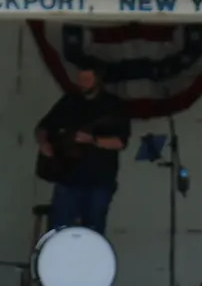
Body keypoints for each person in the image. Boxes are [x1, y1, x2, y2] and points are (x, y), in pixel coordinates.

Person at [36, 62, 131, 234]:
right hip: (67, 178)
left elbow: (120, 142)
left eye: (87, 79)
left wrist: (92, 140)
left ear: (98, 80)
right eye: (80, 79)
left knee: (93, 233)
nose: (82, 83)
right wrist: (44, 143)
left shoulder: (113, 105)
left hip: (99, 181)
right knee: (58, 232)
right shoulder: (70, 101)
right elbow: (43, 127)